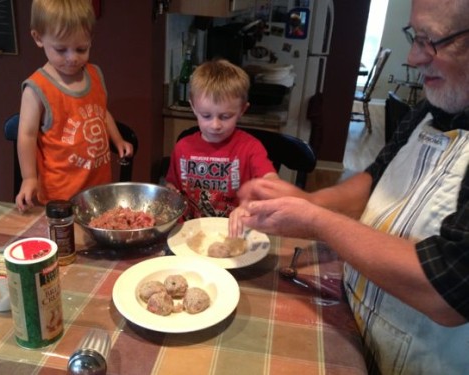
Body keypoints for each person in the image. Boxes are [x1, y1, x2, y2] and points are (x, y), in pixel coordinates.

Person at [230, 0, 469, 373]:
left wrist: (316, 221)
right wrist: (308, 199)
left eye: (430, 40)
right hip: (360, 336)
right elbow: (372, 183)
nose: (412, 57)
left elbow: (447, 292)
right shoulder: (432, 109)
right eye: (414, 37)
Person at [15, 0, 133, 212]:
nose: (72, 58)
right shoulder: (36, 89)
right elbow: (27, 135)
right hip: (60, 196)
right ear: (38, 38)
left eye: (81, 48)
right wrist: (29, 177)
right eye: (61, 50)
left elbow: (101, 111)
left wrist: (117, 139)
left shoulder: (95, 74)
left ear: (90, 39)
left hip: (98, 191)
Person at [165, 59, 277, 220]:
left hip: (234, 230)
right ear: (193, 108)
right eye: (206, 115)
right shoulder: (182, 147)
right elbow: (172, 185)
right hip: (189, 232)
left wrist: (250, 204)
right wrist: (170, 193)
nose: (215, 125)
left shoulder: (250, 147)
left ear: (242, 110)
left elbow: (271, 182)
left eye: (225, 116)